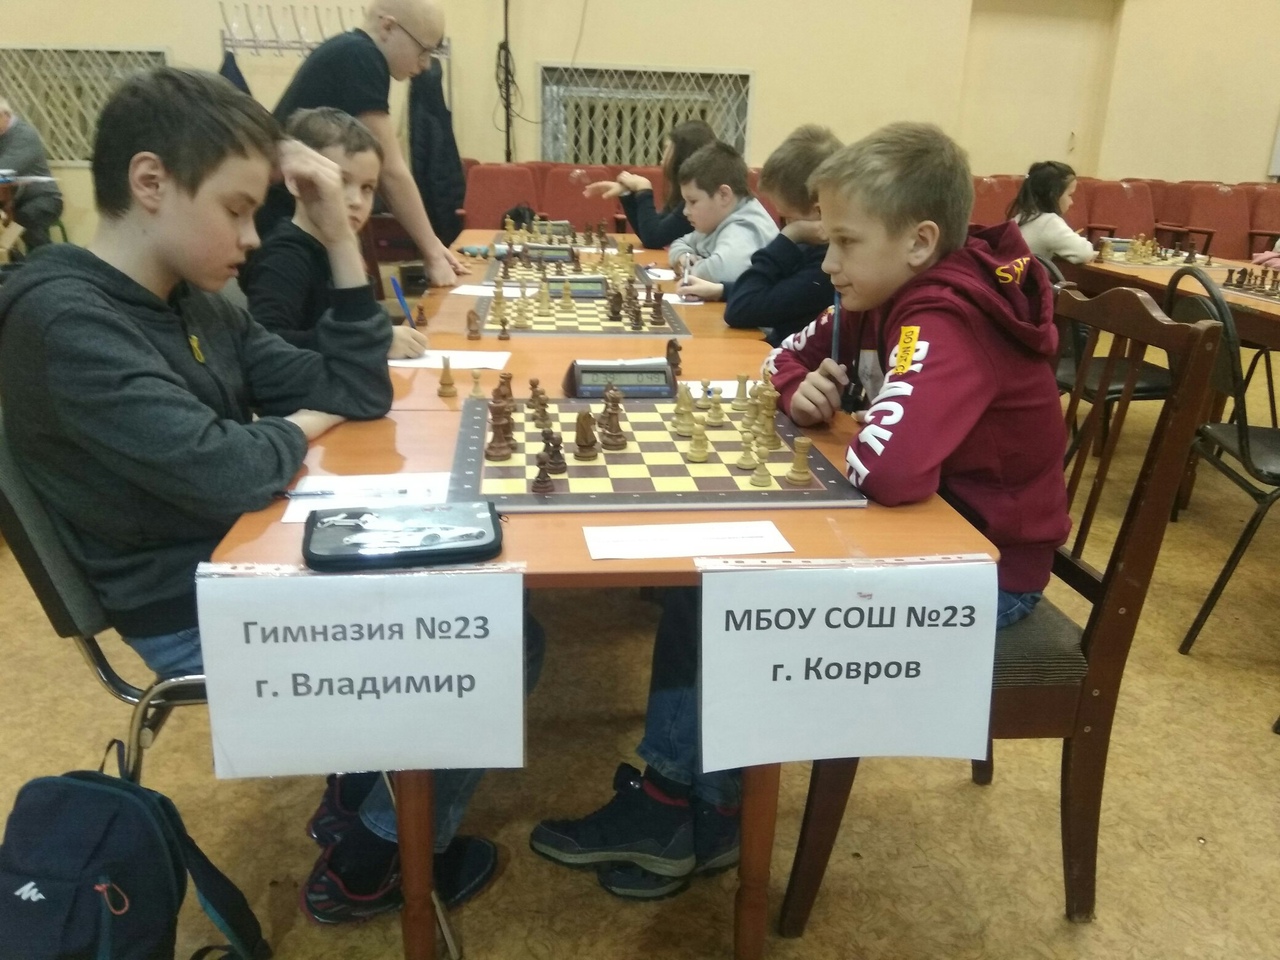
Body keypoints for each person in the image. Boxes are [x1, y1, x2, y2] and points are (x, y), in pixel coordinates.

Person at [529, 122, 1071, 901]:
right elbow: (779, 356)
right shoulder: (875, 294)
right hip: (922, 539)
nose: (828, 263)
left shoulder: (947, 318)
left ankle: (678, 804)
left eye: (845, 242)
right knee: (706, 577)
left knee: (726, 590)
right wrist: (802, 392)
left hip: (987, 575)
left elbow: (890, 470)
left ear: (919, 242)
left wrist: (850, 411)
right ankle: (700, 805)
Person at [257, 0, 466, 288]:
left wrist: (433, 247)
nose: (425, 64)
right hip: (282, 229)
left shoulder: (350, 50)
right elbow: (390, 170)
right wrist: (432, 253)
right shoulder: (361, 56)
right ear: (388, 27)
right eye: (423, 50)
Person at [240, 106, 429, 359]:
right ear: (296, 181)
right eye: (340, 182)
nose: (356, 201)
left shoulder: (345, 245)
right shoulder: (284, 256)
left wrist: (374, 334)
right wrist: (367, 342)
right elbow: (266, 344)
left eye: (367, 188)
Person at [677, 124, 841, 346]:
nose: (783, 226)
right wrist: (721, 290)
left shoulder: (825, 268)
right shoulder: (811, 249)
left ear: (818, 211)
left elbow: (741, 310)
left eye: (788, 218)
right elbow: (779, 288)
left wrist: (790, 235)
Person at [582, 119, 717, 250]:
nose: (662, 157)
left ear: (681, 155)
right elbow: (649, 232)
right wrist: (627, 193)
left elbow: (653, 238)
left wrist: (644, 189)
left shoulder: (697, 199)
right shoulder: (684, 195)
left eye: (667, 148)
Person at [668, 141, 779, 283]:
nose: (685, 211)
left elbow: (721, 272)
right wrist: (684, 256)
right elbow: (680, 243)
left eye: (693, 202)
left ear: (724, 195)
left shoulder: (743, 228)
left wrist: (691, 268)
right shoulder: (716, 222)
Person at [0, 95, 63, 250]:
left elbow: (4, 171)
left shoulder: (24, 136)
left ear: (5, 115)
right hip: (13, 200)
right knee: (10, 227)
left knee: (25, 219)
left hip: (43, 198)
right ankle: (15, 262)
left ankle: (46, 261)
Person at [1006, 160, 1094, 263]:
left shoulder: (1020, 217)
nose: (1072, 202)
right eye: (1070, 195)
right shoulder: (1049, 222)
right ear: (1053, 195)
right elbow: (1084, 253)